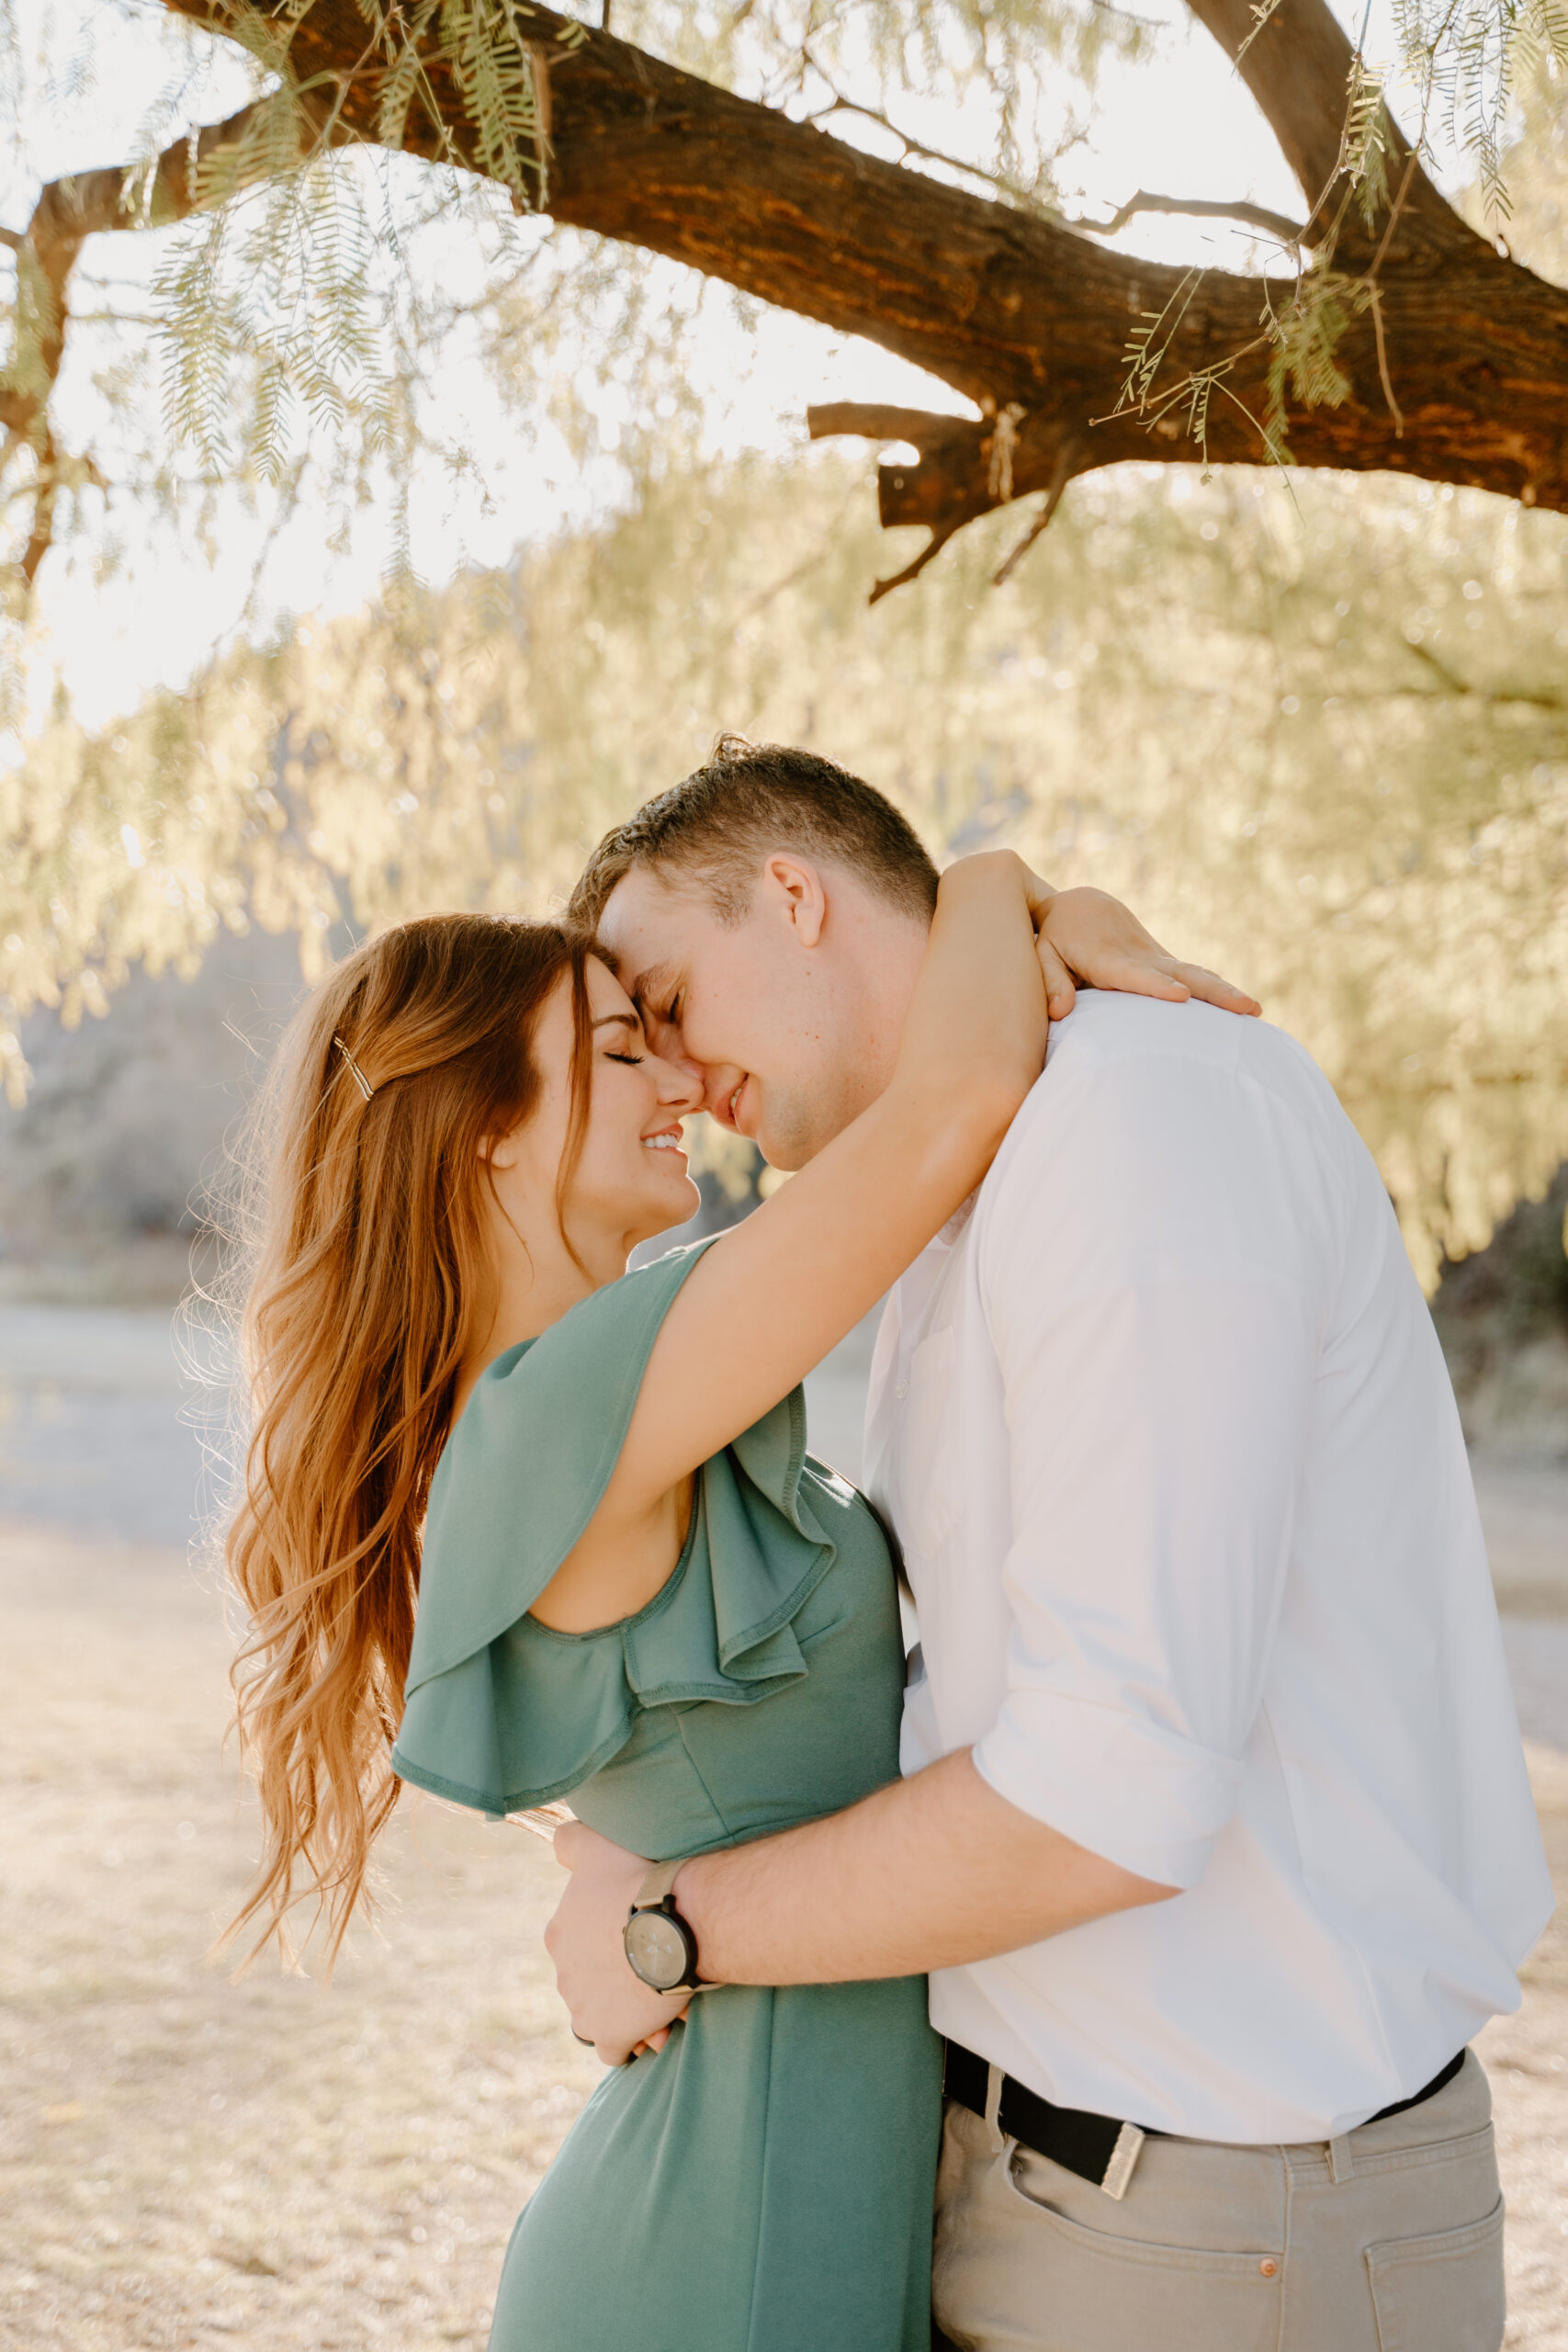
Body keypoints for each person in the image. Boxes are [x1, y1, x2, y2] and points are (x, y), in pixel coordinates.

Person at [545, 736, 1554, 2352]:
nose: (672, 1077)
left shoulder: (1138, 1124)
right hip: (1066, 2189)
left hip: (1230, 2229)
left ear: (793, 895)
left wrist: (674, 1926)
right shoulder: (975, 1176)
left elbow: (1109, 1788)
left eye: (667, 1003)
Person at [220, 848, 1246, 2351]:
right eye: (624, 1047)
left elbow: (664, 1777)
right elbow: (954, 1104)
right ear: (489, 1130)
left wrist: (635, 1902)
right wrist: (1004, 886)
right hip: (724, 2247)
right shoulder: (565, 1404)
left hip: (784, 2195)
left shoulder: (556, 1418)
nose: (683, 1083)